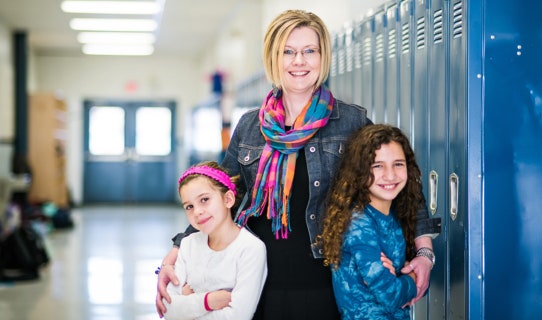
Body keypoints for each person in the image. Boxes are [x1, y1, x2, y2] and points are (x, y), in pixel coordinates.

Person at [156, 9, 440, 319]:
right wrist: (178, 250)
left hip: (325, 278)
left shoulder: (350, 122)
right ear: (273, 58)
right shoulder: (250, 126)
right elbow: (219, 195)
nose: (299, 61)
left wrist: (423, 251)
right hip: (256, 278)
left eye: (309, 51)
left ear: (323, 57)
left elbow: (399, 183)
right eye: (288, 52)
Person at [320, 124, 423, 319]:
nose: (390, 175)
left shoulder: (393, 215)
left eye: (398, 164)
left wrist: (402, 278)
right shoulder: (359, 224)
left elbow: (413, 290)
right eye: (378, 166)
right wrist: (412, 276)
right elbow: (392, 295)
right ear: (360, 171)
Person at [162, 161, 267, 319]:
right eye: (189, 206)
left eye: (204, 200)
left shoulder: (251, 249)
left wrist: (186, 304)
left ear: (228, 199)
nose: (197, 211)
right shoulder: (188, 244)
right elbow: (167, 309)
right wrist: (206, 302)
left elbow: (238, 316)